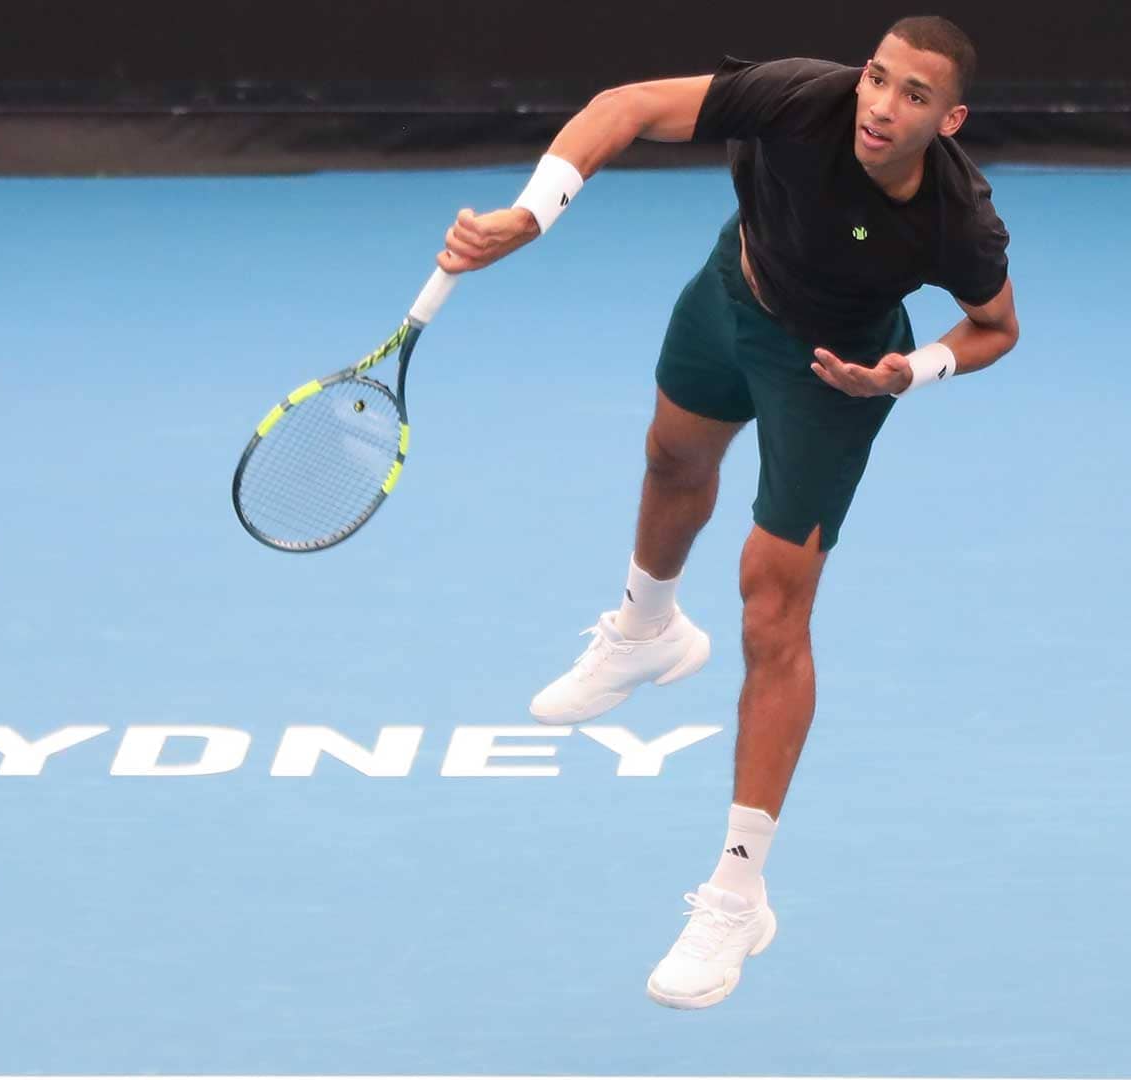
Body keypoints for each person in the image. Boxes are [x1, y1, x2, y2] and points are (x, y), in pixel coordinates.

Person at [434, 15, 1022, 1009]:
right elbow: (625, 107)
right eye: (878, 79)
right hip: (729, 294)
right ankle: (646, 630)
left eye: (913, 95)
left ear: (950, 118)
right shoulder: (802, 97)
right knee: (671, 457)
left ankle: (736, 894)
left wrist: (907, 373)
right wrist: (530, 216)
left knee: (770, 608)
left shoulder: (958, 222)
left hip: (835, 375)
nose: (880, 106)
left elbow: (998, 327)